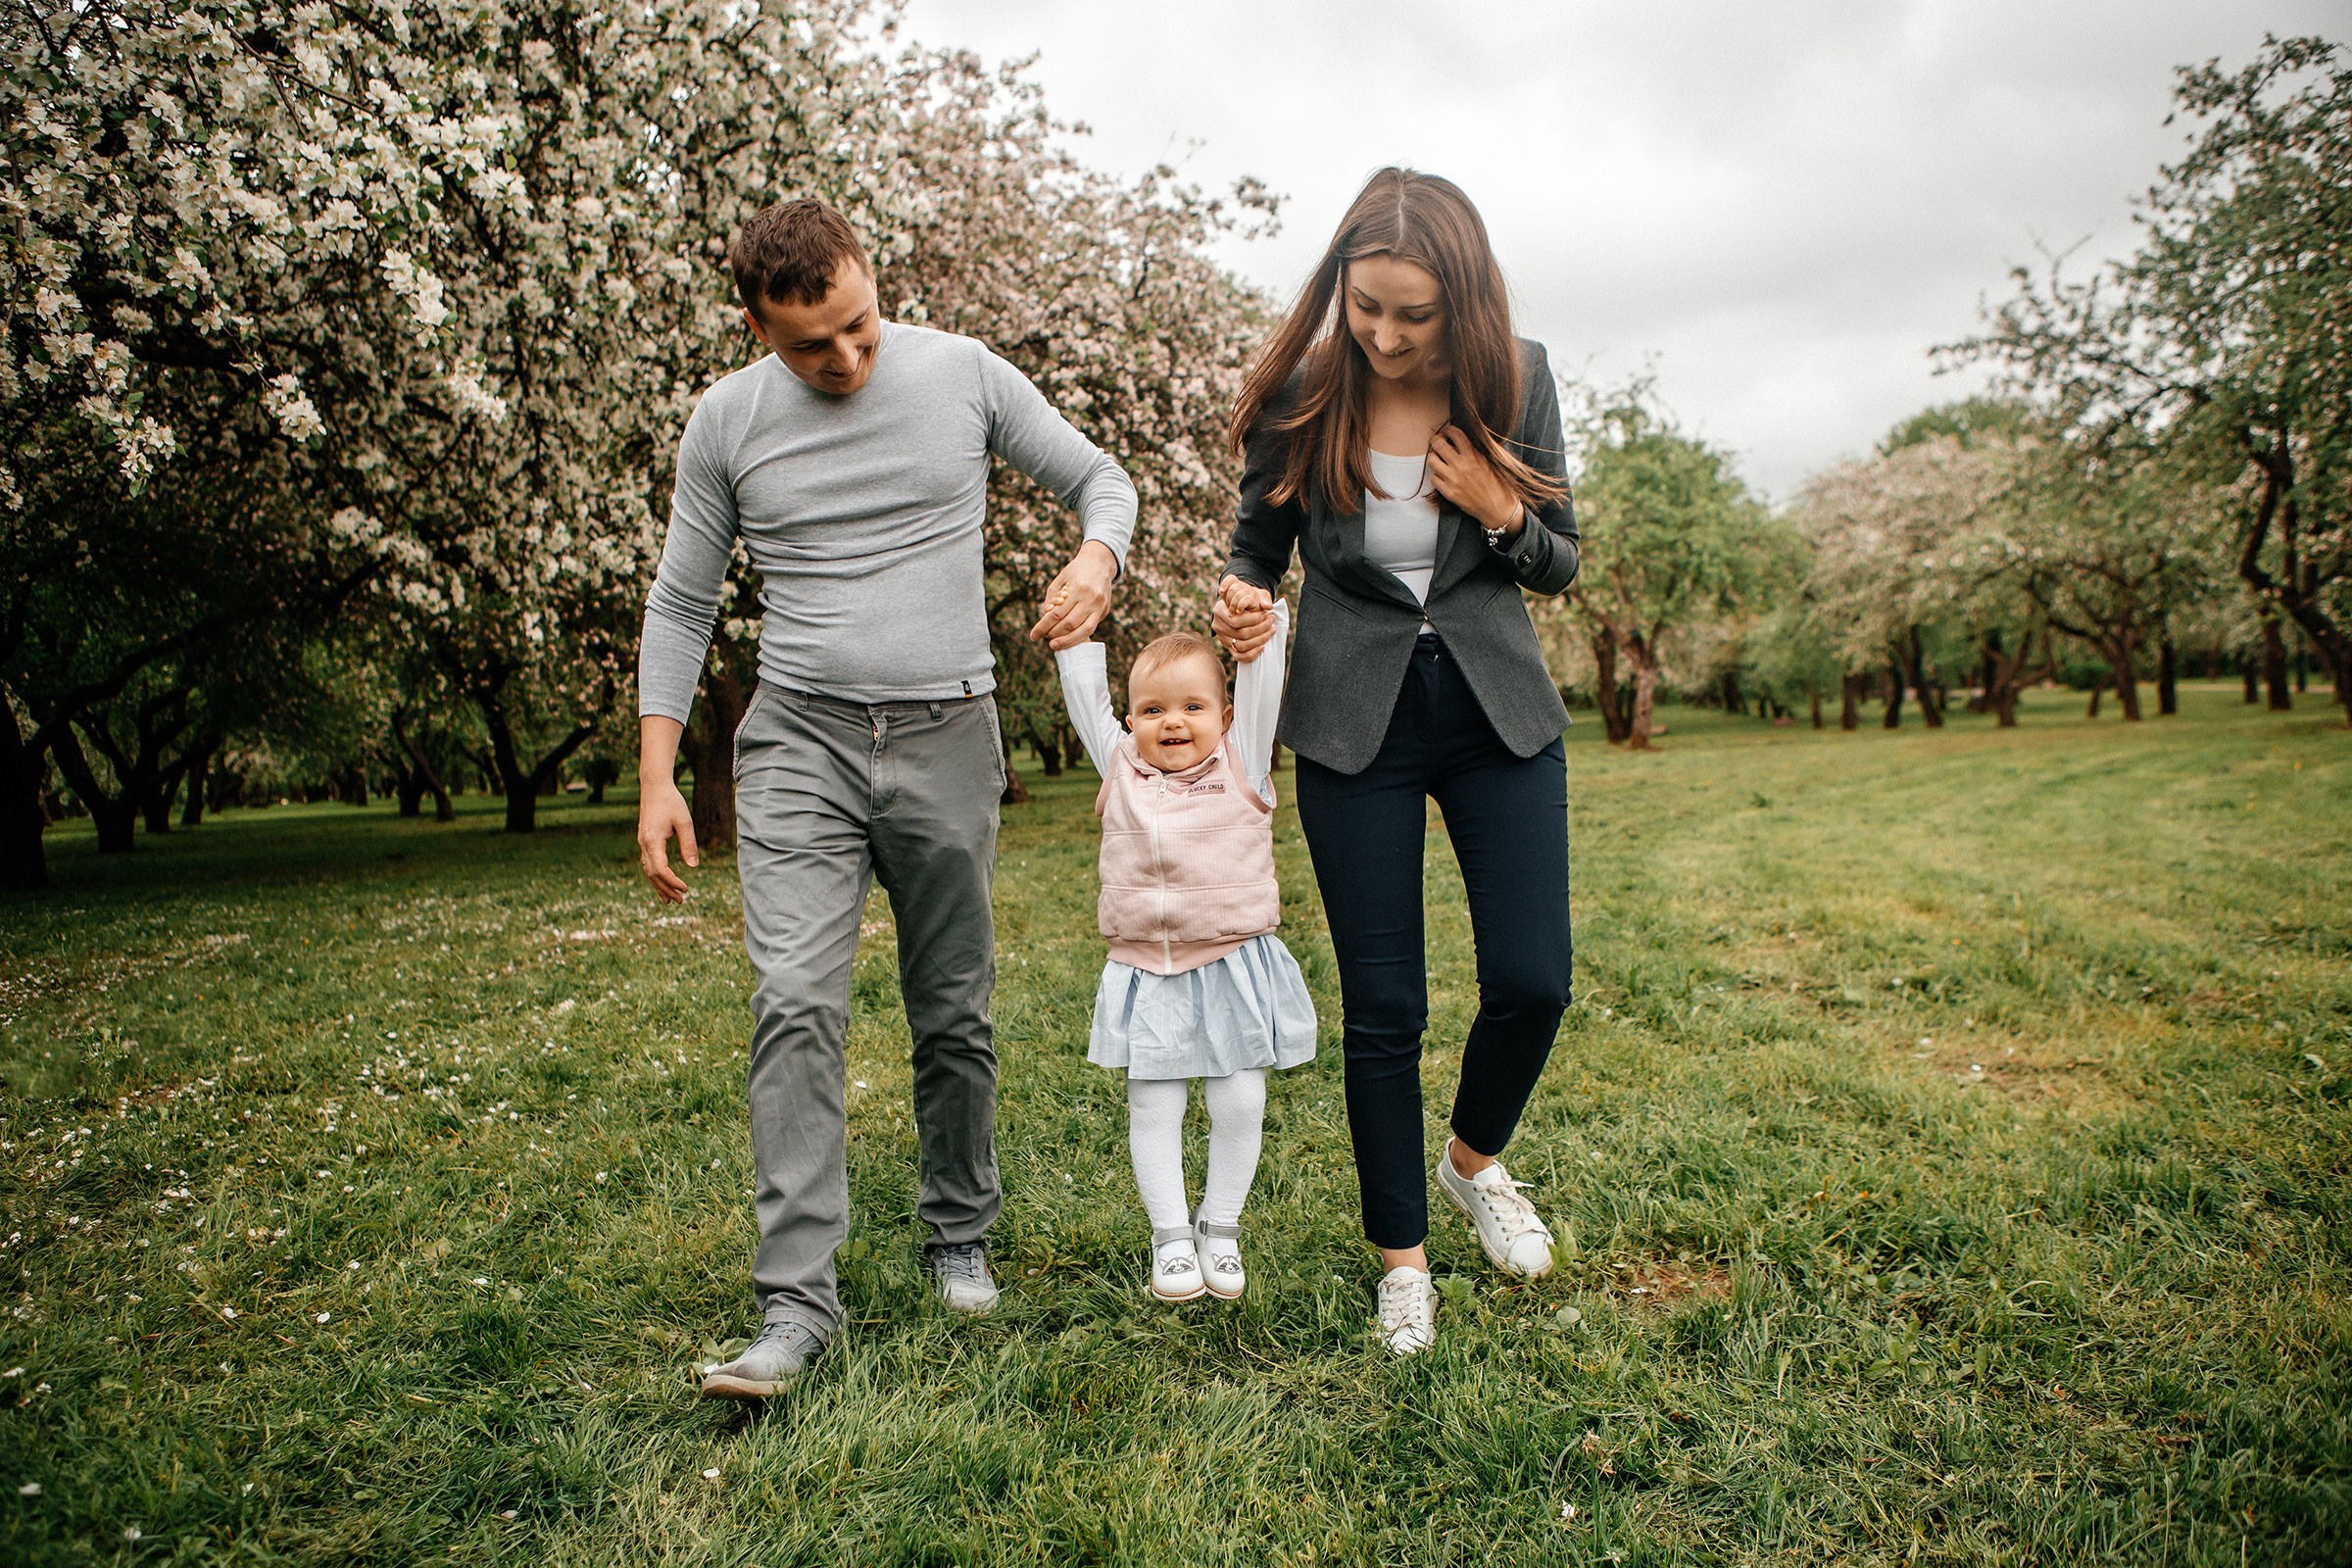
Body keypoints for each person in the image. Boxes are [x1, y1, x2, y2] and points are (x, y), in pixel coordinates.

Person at [636, 197, 1136, 1399]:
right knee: (793, 1001)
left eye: (858, 325)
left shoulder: (963, 373)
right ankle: (795, 1302)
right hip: (798, 741)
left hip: (949, 729)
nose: (847, 359)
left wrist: (1096, 557)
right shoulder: (727, 422)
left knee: (951, 1007)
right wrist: (657, 775)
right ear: (759, 329)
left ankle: (957, 1229)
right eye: (812, 346)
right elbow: (681, 601)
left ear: (870, 278)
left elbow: (1099, 478)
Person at [1212, 169, 1580, 1356]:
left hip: (1494, 709)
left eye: (1413, 312)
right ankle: (1403, 1261)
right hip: (1352, 718)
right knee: (1386, 1008)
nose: (1384, 332)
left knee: (1534, 978)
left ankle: (1474, 1164)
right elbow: (1253, 552)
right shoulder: (1307, 393)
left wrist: (1496, 510)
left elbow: (1560, 559)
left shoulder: (1513, 377)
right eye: (1367, 304)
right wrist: (1242, 603)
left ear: (1459, 299)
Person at [1052, 597, 1315, 1301]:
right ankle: (1170, 1234)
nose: (1172, 722)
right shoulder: (1121, 768)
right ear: (1131, 721)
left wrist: (1267, 622)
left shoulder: (1244, 762)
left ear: (1225, 719)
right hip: (1149, 967)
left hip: (1231, 957)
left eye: (1193, 706)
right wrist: (1076, 643)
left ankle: (1219, 1226)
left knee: (1239, 1099)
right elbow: (1085, 700)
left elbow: (1261, 676)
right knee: (1154, 1103)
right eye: (1152, 710)